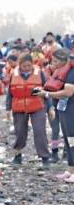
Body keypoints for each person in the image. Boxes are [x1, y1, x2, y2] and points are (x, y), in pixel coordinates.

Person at [6, 54, 50, 166]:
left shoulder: (39, 73)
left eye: (29, 65)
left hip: (37, 106)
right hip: (19, 107)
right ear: (19, 65)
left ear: (32, 64)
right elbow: (9, 93)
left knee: (40, 131)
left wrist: (50, 108)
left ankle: (45, 157)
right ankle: (17, 155)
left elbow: (46, 91)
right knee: (20, 132)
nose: (27, 68)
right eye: (24, 66)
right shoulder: (13, 74)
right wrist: (7, 109)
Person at [38, 49, 74, 178]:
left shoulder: (71, 72)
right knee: (67, 139)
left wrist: (47, 94)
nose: (53, 63)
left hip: (71, 109)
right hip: (63, 108)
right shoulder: (59, 72)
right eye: (52, 61)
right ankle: (70, 170)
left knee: (72, 139)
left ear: (64, 61)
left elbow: (68, 92)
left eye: (56, 61)